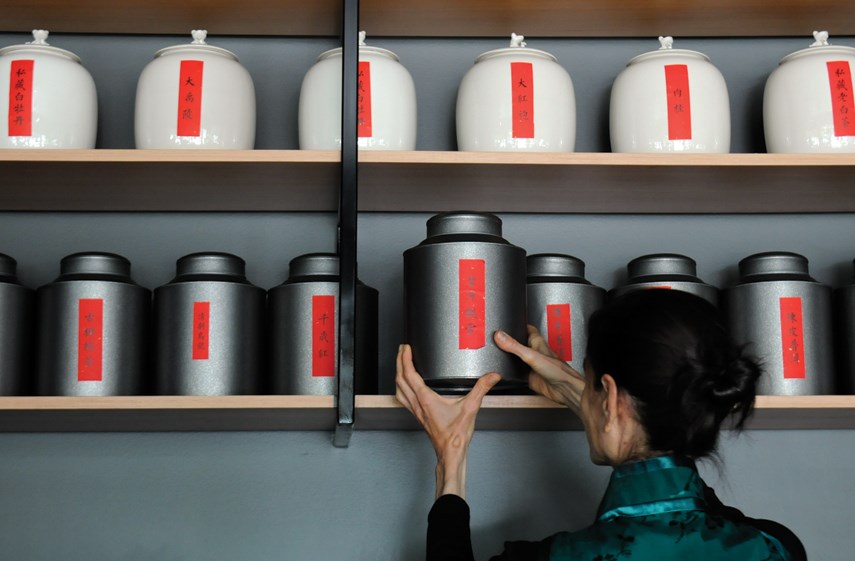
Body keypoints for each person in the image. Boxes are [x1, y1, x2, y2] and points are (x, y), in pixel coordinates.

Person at [396, 289, 806, 561]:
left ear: (609, 397)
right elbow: (702, 518)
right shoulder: (776, 547)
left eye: (589, 382)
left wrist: (451, 456)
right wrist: (595, 400)